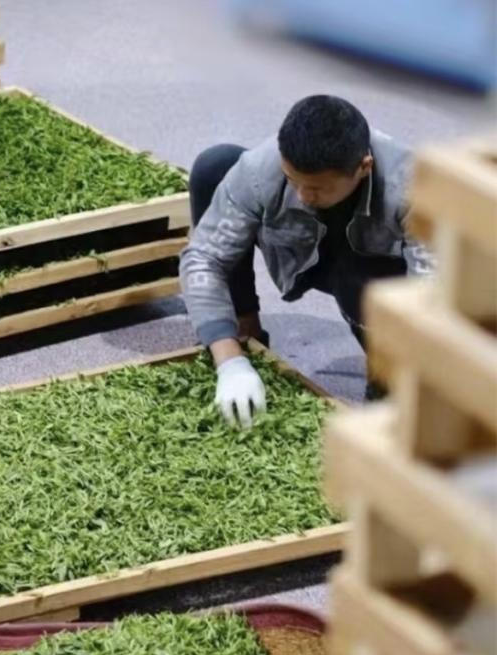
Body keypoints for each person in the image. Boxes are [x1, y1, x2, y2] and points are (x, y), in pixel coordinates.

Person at [179, 94, 433, 428]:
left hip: (377, 270)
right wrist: (229, 360)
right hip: (297, 247)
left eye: (316, 188)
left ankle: (385, 374)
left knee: (359, 282)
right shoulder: (261, 169)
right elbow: (203, 258)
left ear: (363, 167)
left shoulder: (414, 189)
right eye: (292, 179)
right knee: (216, 166)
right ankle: (244, 329)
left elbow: (434, 295)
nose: (301, 195)